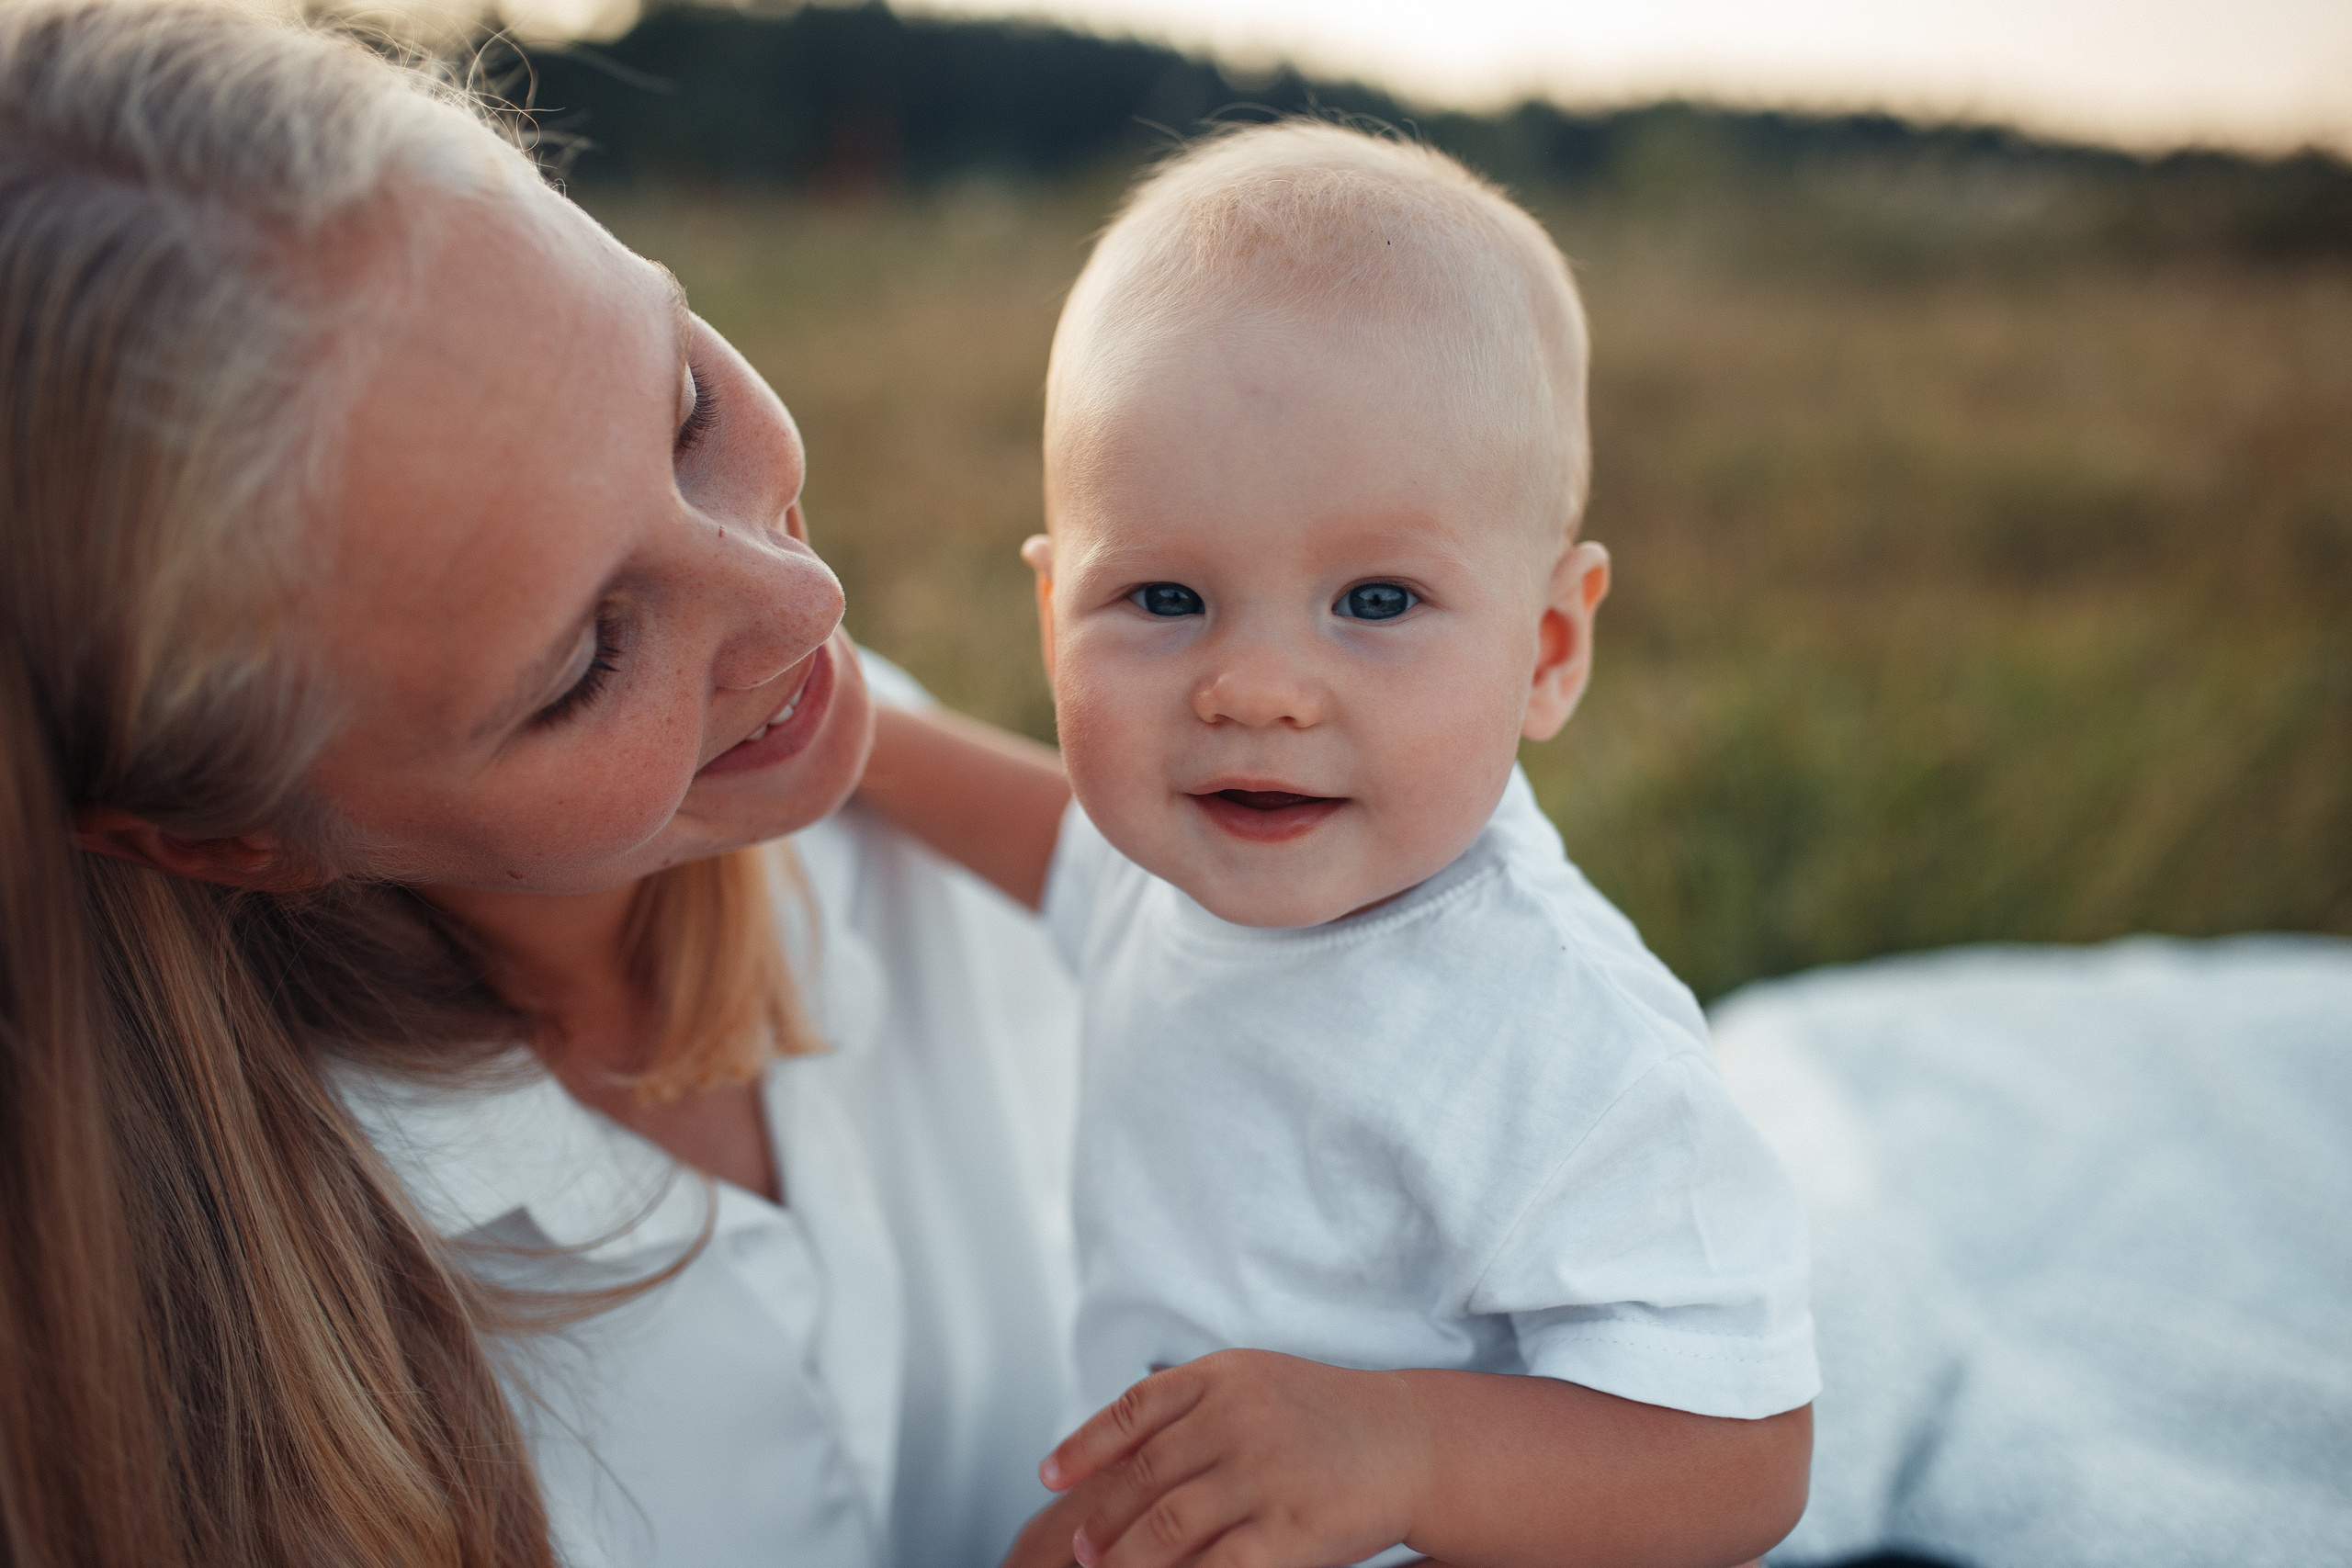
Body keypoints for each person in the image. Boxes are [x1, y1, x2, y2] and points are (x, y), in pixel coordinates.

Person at [0, 4, 1077, 1564]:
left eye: (687, 404)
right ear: (230, 839)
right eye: (583, 664)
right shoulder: (222, 1422)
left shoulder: (869, 776)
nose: (806, 604)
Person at [855, 123, 1815, 1568]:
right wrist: (841, 734)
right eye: (1165, 598)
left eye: (1375, 602)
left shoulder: (1553, 1033)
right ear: (1055, 626)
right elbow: (1034, 829)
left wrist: (1403, 1450)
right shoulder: (1152, 876)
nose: (1256, 690)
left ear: (1551, 648)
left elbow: (1745, 1453)